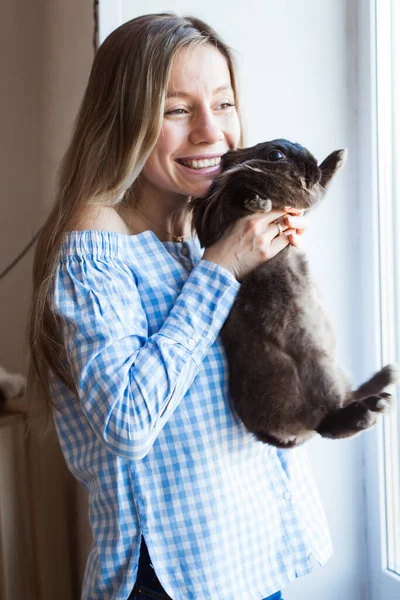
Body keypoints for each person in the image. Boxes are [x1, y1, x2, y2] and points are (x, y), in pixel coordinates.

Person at [27, 13, 333, 600]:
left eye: (223, 103)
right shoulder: (97, 242)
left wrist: (277, 279)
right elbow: (128, 423)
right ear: (124, 121)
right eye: (176, 110)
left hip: (249, 561)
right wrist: (220, 272)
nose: (210, 132)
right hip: (172, 578)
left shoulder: (203, 231)